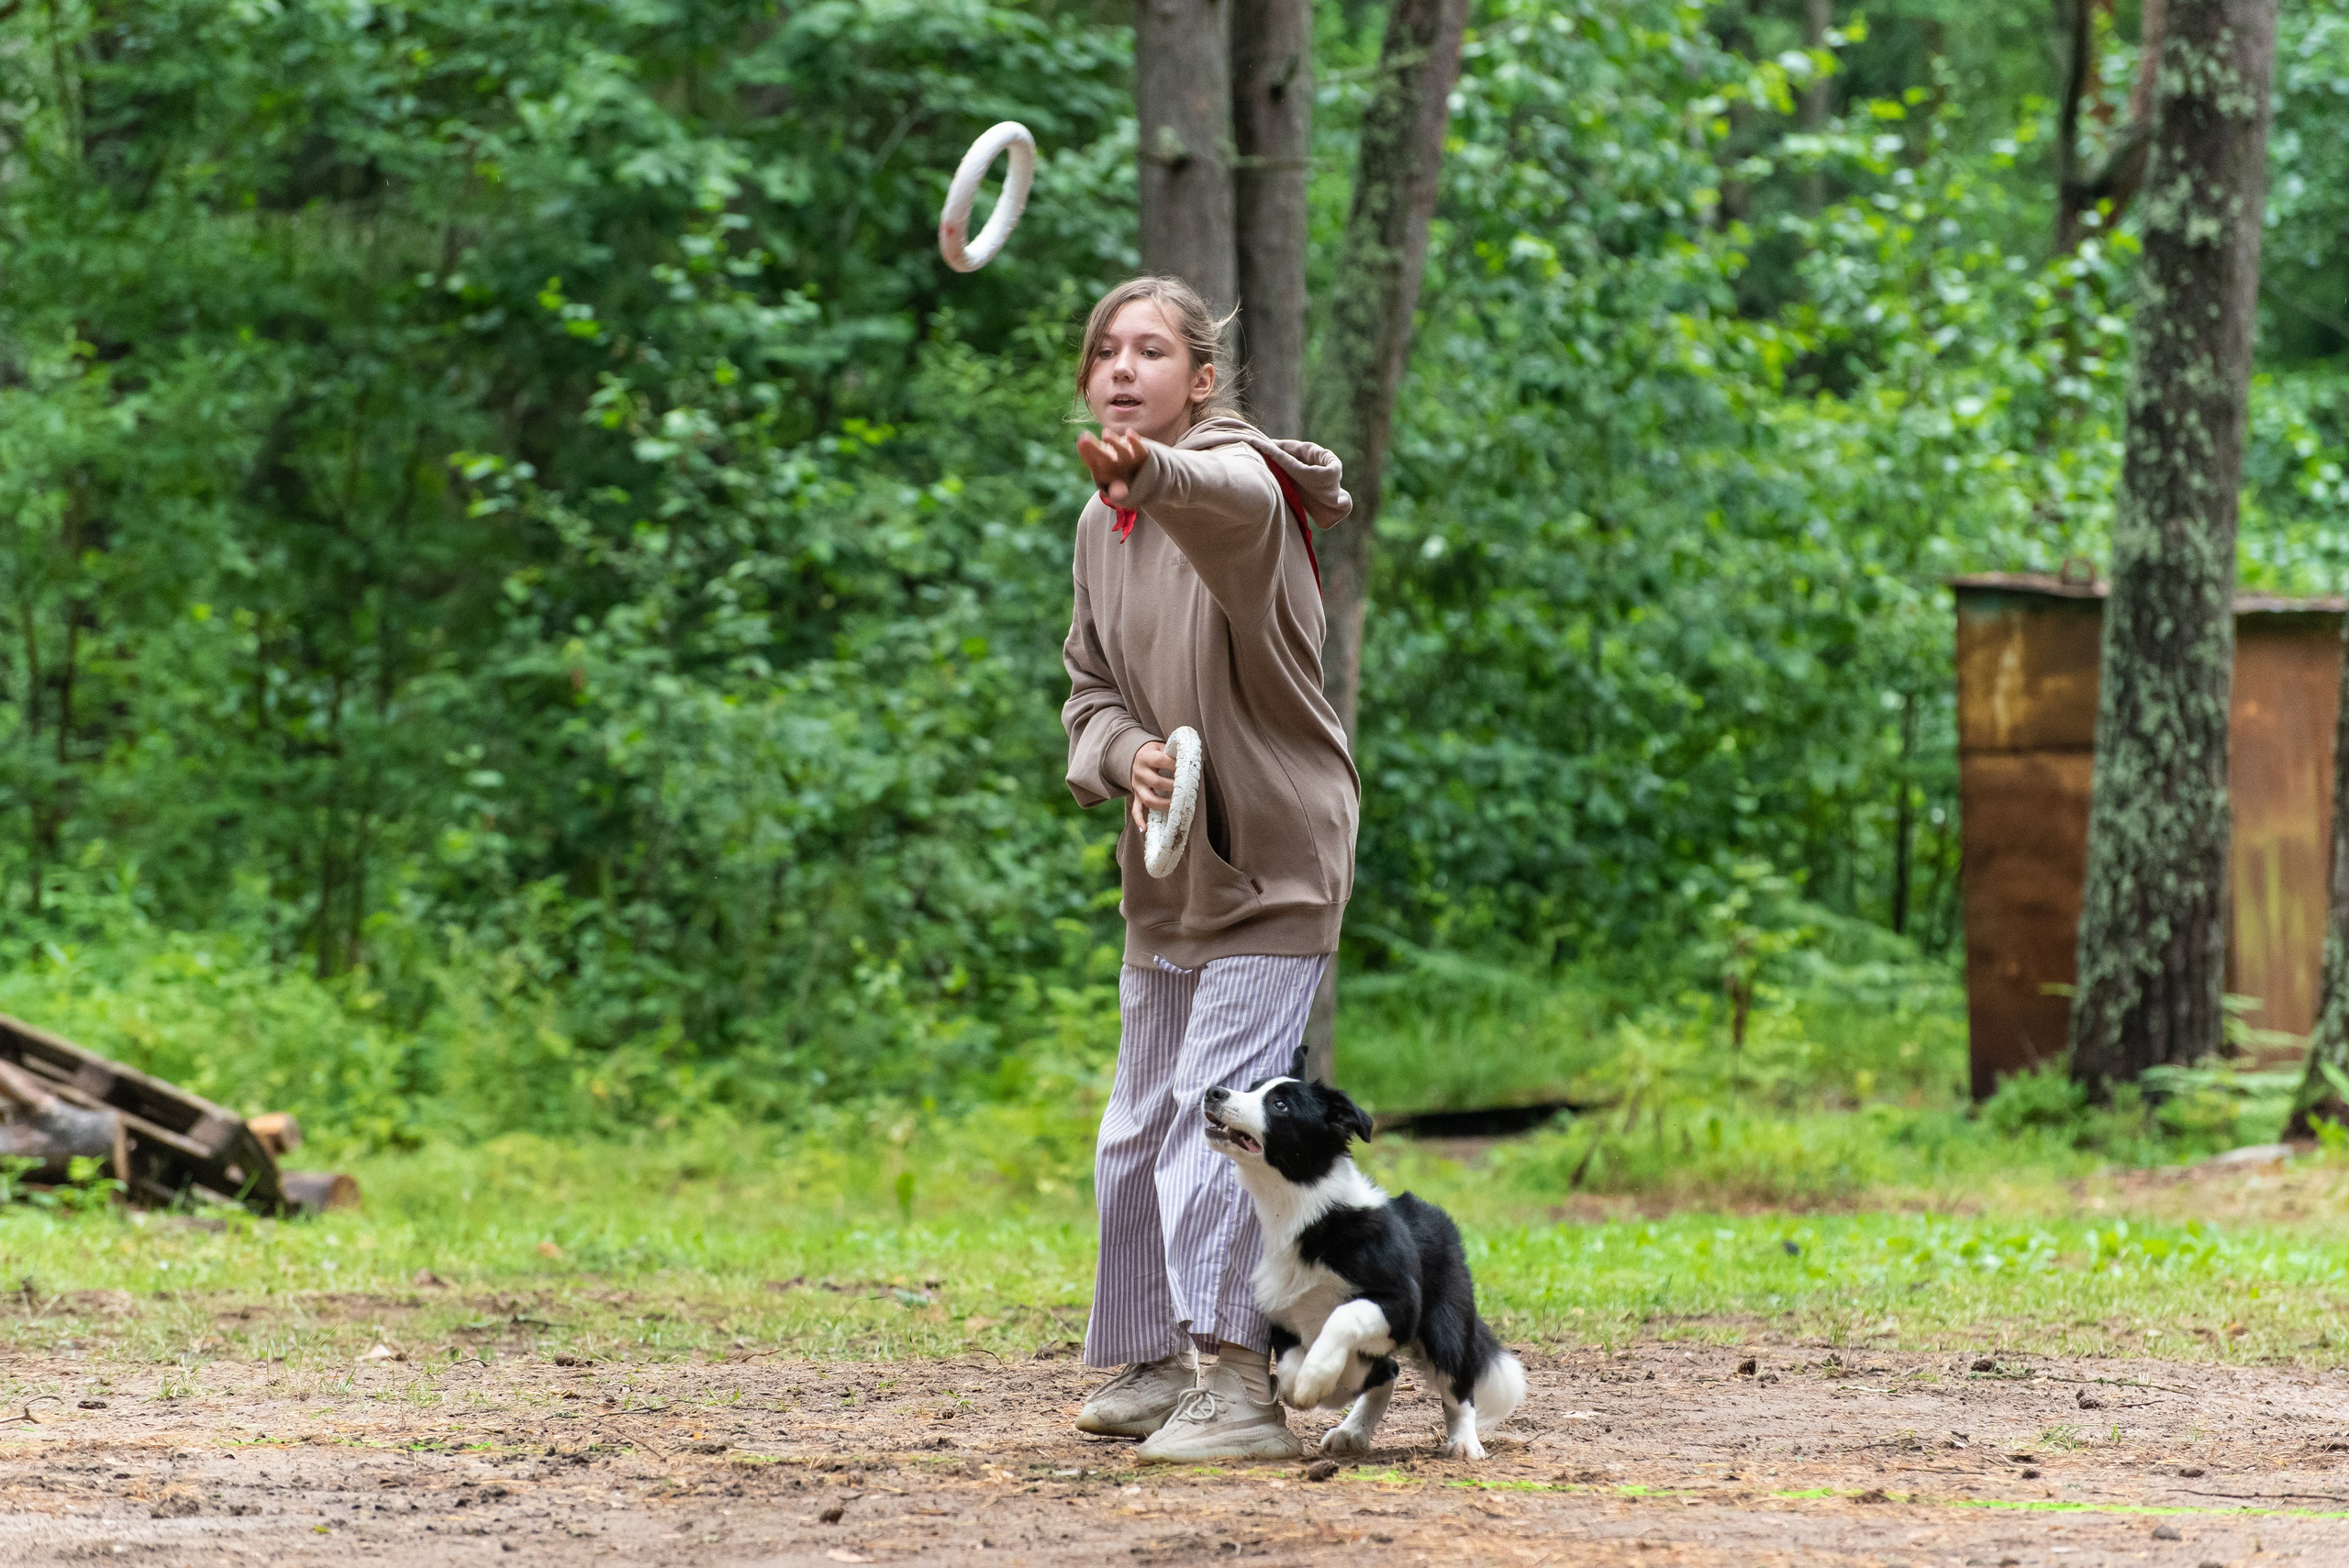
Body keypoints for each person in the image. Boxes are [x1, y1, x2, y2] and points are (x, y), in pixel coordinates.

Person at [1059, 276, 1357, 1462]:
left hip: (1273, 862)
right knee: (1134, 1127)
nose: (1124, 367)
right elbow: (1087, 689)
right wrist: (1124, 751)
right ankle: (1151, 1358)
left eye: (1151, 350)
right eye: (1106, 352)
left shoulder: (1244, 488)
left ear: (1202, 380)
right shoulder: (1098, 527)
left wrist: (1156, 474)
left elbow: (1220, 491)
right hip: (1171, 876)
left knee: (1211, 1116)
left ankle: (1240, 1383)